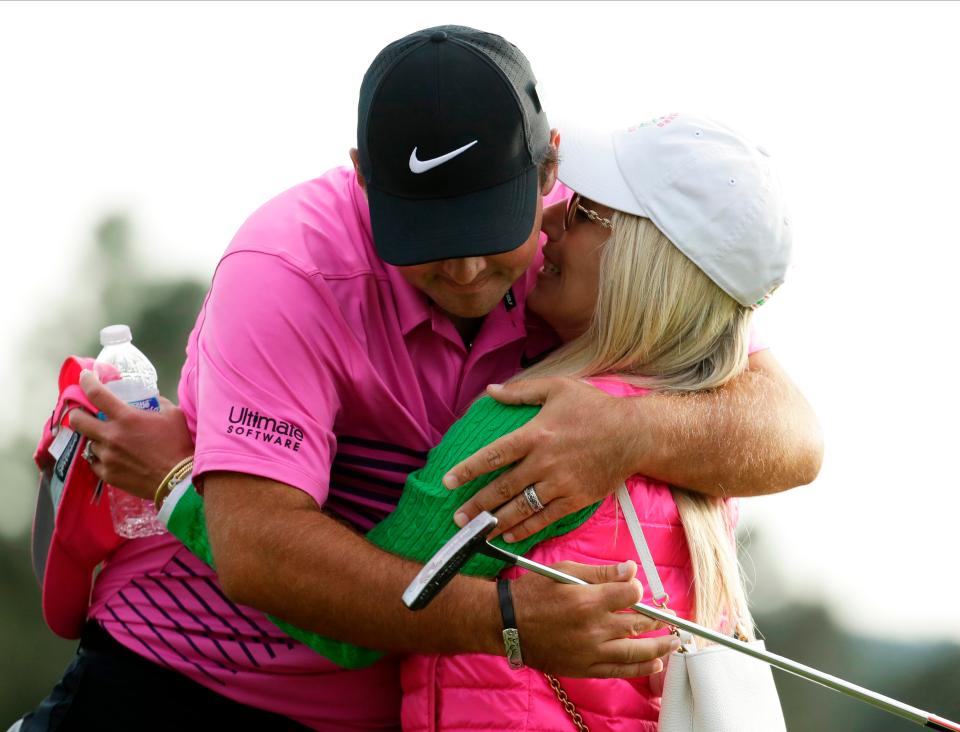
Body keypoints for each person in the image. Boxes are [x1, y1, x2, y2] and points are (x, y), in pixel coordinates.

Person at [26, 26, 821, 732]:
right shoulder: (287, 267)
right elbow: (258, 551)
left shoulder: (592, 253)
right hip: (186, 687)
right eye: (433, 237)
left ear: (549, 173)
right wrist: (505, 617)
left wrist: (625, 433)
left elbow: (791, 428)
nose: (471, 271)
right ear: (365, 181)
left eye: (490, 229)